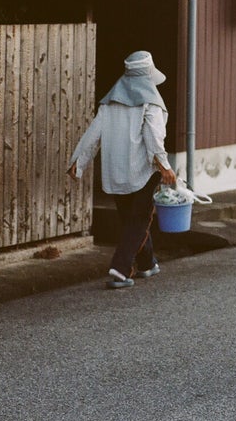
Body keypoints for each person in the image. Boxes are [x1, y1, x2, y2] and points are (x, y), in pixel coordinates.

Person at [68, 50, 178, 288]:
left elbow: (93, 135)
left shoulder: (110, 103)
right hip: (143, 171)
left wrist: (78, 163)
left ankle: (148, 264)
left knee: (130, 219)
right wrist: (165, 166)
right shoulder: (151, 102)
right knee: (138, 221)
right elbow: (153, 137)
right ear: (149, 74)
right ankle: (120, 269)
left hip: (115, 170)